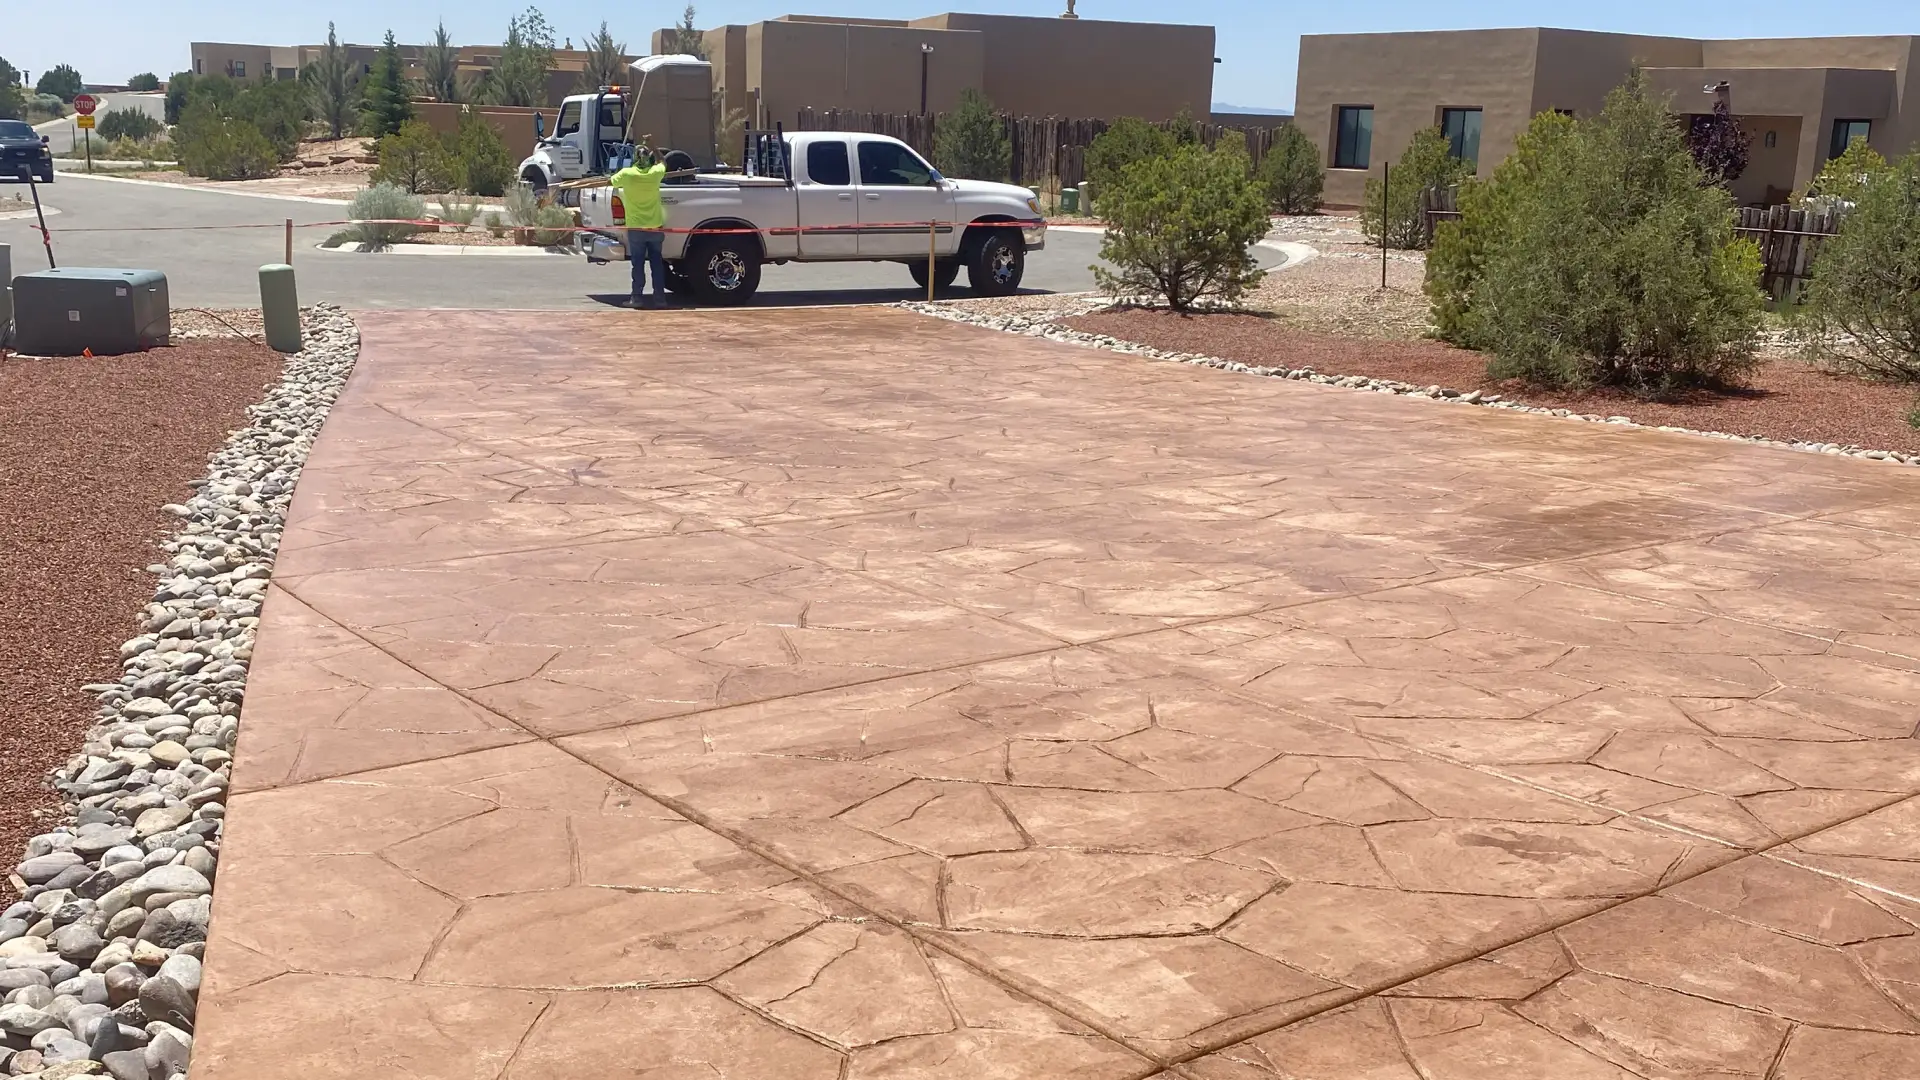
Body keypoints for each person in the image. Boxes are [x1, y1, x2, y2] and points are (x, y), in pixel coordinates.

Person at [609, 148, 669, 307]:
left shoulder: (627, 174)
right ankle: (660, 299)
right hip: (655, 226)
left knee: (638, 264)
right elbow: (663, 161)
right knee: (657, 263)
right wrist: (654, 147)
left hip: (636, 229)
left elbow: (612, 180)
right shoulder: (655, 173)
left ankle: (637, 298)